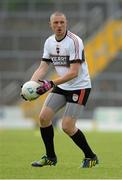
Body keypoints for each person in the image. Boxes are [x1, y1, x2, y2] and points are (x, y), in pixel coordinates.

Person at [21, 11, 99, 168]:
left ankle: (91, 157)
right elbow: (43, 67)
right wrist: (29, 87)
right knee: (43, 118)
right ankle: (50, 158)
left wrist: (50, 84)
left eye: (62, 22)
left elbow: (73, 73)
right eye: (55, 23)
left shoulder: (75, 41)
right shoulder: (49, 42)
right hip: (62, 86)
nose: (59, 26)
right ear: (50, 25)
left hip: (79, 87)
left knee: (67, 126)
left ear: (66, 23)